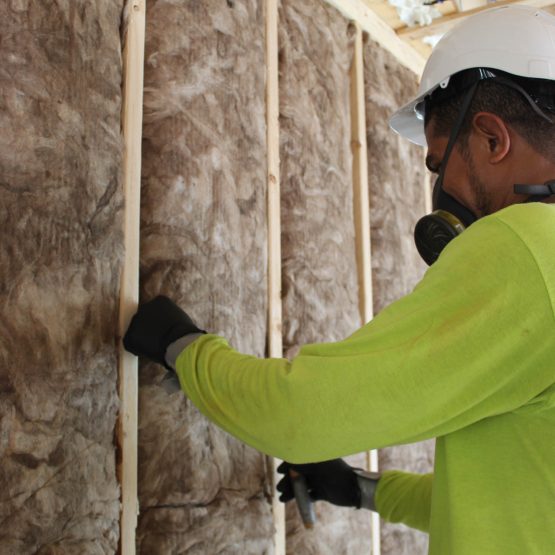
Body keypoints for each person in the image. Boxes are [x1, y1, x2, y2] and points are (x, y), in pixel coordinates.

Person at [124, 5, 555, 554]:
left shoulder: (527, 247)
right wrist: (361, 489)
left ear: (493, 140)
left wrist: (180, 345)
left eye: (442, 164)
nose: (444, 194)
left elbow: (298, 416)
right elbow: (517, 490)